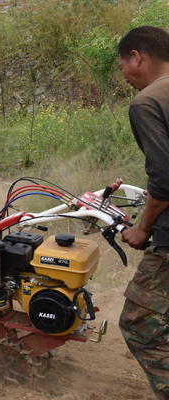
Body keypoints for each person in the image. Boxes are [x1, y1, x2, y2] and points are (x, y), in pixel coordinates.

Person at [118, 26, 169, 400]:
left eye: (124, 66)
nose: (126, 77)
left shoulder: (148, 102)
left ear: (137, 56)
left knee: (139, 325)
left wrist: (142, 227)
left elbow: (165, 178)